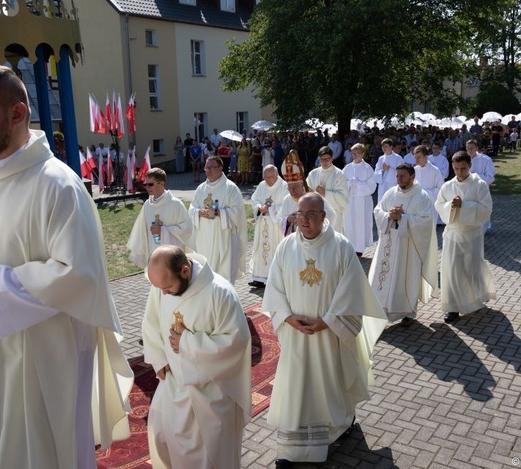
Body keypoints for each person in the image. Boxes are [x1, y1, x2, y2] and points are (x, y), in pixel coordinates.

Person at [0, 65, 132, 468]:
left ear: (17, 113)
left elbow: (77, 274)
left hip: (42, 352)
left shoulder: (57, 184)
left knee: (40, 450)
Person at [263, 193, 387, 466]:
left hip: (328, 334)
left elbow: (352, 291)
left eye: (310, 214)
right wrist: (285, 316)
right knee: (296, 385)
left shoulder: (341, 247)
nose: (303, 220)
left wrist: (328, 321)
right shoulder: (286, 247)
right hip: (296, 334)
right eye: (299, 214)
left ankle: (334, 430)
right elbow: (275, 287)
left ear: (323, 216)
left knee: (327, 384)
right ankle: (290, 449)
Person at [141, 246, 251, 469]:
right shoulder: (161, 287)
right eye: (159, 288)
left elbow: (236, 342)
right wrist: (159, 359)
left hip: (211, 393)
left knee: (211, 458)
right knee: (163, 439)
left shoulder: (219, 292)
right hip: (173, 385)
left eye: (168, 287)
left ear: (184, 270)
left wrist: (187, 343)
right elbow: (150, 322)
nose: (163, 294)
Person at [369, 163, 438, 325]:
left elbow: (426, 222)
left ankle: (408, 313)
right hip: (389, 244)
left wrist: (403, 218)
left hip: (409, 247)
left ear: (412, 177)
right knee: (383, 278)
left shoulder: (422, 197)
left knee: (406, 279)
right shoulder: (391, 193)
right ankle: (380, 311)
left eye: (402, 176)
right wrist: (388, 215)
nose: (399, 179)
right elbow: (378, 210)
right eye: (397, 176)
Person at [435, 150, 496, 323]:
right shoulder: (447, 186)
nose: (459, 172)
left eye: (463, 168)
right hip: (453, 233)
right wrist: (450, 206)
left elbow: (486, 208)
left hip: (472, 233)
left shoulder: (479, 184)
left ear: (470, 165)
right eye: (456, 169)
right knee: (452, 270)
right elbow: (439, 205)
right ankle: (453, 307)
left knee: (471, 268)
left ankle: (475, 298)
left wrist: (465, 205)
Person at [189, 155, 248, 284]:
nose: (208, 171)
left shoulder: (230, 188)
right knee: (205, 274)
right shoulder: (201, 188)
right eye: (206, 168)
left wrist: (217, 212)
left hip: (224, 238)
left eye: (212, 167)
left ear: (220, 168)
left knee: (223, 275)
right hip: (204, 238)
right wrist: (198, 212)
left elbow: (237, 211)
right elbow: (192, 207)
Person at [127, 167, 194, 269]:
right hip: (153, 250)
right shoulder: (147, 205)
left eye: (150, 184)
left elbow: (187, 229)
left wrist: (163, 230)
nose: (147, 187)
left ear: (162, 183)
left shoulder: (175, 204)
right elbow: (141, 230)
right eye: (146, 184)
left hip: (172, 254)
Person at [249, 165, 288, 287]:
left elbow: (286, 206)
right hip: (263, 223)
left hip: (276, 225)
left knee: (275, 249)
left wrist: (271, 209)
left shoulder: (284, 186)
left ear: (276, 175)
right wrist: (259, 207)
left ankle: (274, 278)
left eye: (269, 177)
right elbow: (254, 199)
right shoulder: (261, 185)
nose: (267, 180)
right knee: (261, 250)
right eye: (265, 177)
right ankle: (259, 278)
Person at [343, 143, 377, 255]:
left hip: (363, 201)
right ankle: (349, 246)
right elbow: (341, 184)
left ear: (362, 154)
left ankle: (359, 248)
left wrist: (357, 184)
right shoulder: (347, 168)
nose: (355, 156)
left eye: (357, 153)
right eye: (353, 153)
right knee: (349, 223)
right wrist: (349, 183)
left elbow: (372, 186)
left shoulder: (367, 168)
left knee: (361, 224)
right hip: (350, 201)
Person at [306, 146, 348, 233]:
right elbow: (306, 192)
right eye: (322, 159)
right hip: (316, 215)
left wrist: (325, 193)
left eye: (327, 159)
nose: (324, 162)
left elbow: (343, 198)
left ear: (332, 158)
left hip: (335, 214)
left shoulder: (339, 174)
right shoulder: (313, 174)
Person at [465, 139, 495, 232]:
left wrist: (475, 175)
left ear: (477, 148)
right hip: (467, 189)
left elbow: (490, 177)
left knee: (482, 209)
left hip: (481, 190)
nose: (470, 150)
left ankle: (483, 230)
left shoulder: (485, 159)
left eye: (472, 148)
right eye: (468, 148)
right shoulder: (464, 159)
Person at [414, 145, 445, 225]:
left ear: (426, 156)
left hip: (430, 205)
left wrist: (424, 193)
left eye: (419, 157)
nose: (416, 160)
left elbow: (441, 189)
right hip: (416, 205)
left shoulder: (435, 170)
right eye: (415, 157)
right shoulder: (414, 170)